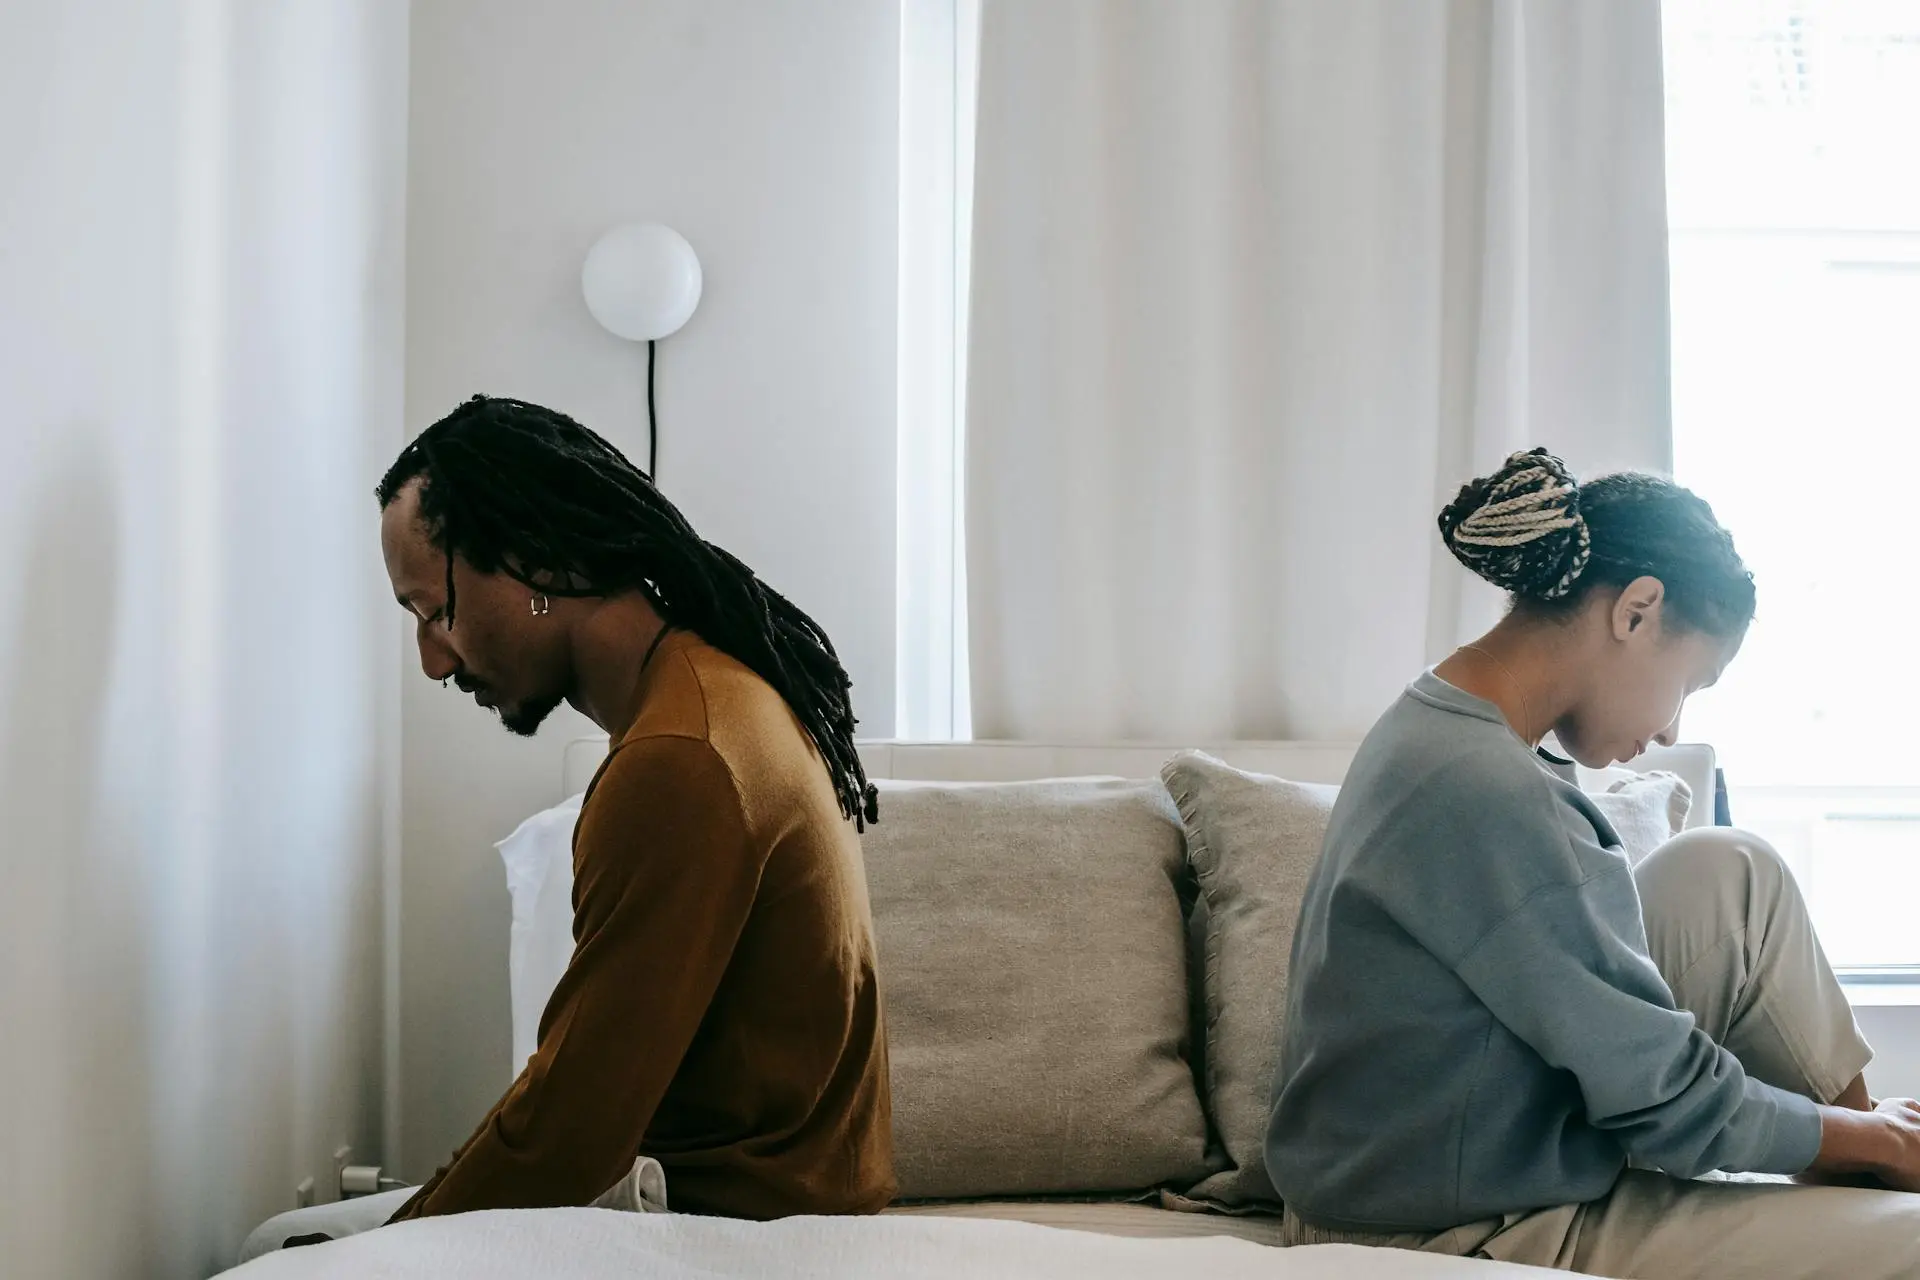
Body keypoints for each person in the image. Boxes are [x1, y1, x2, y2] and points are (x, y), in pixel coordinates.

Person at [242, 395, 893, 1260]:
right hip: (775, 1203)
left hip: (722, 1233)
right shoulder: (722, 691)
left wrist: (392, 1250)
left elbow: (568, 1137)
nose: (433, 661)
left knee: (278, 1251)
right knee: (282, 1238)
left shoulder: (679, 762)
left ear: (533, 561)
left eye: (435, 612)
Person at [1266, 448, 1920, 1278]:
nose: (1676, 732)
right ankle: (1881, 1156)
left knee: (1731, 870)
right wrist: (1861, 1136)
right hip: (1445, 1225)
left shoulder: (1442, 719)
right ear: (1637, 611)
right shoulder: (1490, 792)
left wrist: (1860, 1132)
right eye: (1692, 683)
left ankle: (1882, 1153)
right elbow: (1669, 1101)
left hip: (1446, 1151)